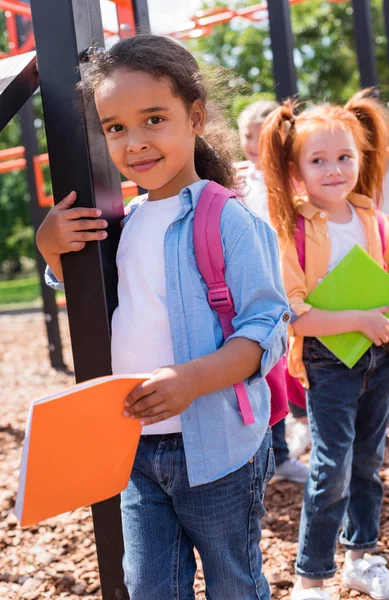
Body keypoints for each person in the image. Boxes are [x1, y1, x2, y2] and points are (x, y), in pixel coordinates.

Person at [36, 35, 290, 600]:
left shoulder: (228, 219)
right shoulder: (122, 221)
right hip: (134, 445)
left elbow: (268, 328)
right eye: (116, 127)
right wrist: (52, 251)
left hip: (218, 445)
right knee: (147, 584)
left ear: (194, 117)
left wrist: (193, 378)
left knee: (233, 580)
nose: (135, 142)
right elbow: (89, 293)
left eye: (154, 119)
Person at [260, 92, 389, 600]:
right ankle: (311, 575)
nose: (334, 169)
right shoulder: (292, 229)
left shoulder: (371, 219)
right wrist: (359, 318)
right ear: (296, 170)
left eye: (344, 157)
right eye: (317, 160)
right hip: (329, 361)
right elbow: (296, 314)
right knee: (332, 467)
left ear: (362, 159)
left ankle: (361, 558)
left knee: (369, 462)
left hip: (378, 355)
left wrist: (388, 312)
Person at [237, 99, 310, 481]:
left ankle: (292, 435)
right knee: (268, 371)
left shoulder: (294, 183)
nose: (252, 143)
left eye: (260, 136)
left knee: (290, 368)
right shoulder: (240, 180)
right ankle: (276, 452)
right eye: (247, 135)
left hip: (289, 286)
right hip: (257, 287)